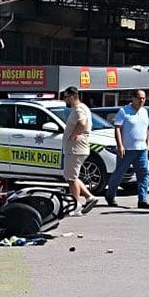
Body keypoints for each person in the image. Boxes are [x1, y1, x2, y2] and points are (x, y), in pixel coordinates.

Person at [105, 90, 149, 209]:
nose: (142, 101)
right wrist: (120, 145)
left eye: (143, 98)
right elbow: (117, 129)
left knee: (143, 174)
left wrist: (147, 144)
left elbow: (146, 129)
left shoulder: (145, 112)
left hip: (141, 149)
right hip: (127, 149)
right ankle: (110, 196)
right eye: (139, 98)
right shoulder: (124, 111)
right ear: (133, 98)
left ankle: (142, 200)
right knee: (119, 174)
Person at [61, 86, 98, 215]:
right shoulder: (83, 108)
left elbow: (82, 123)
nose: (65, 100)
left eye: (66, 97)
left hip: (75, 148)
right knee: (73, 177)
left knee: (71, 178)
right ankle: (89, 197)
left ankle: (76, 206)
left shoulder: (78, 109)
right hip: (77, 148)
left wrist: (74, 135)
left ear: (72, 97)